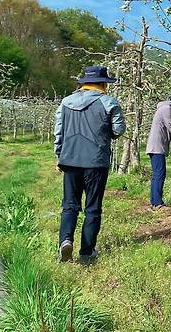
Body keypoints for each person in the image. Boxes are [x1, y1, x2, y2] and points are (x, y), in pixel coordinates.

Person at [55, 65, 126, 264]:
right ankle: (86, 252)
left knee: (69, 205)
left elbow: (58, 132)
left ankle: (66, 240)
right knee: (93, 207)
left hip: (70, 159)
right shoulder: (109, 102)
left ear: (84, 83)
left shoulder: (66, 102)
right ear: (103, 84)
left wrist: (59, 155)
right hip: (96, 161)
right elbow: (119, 129)